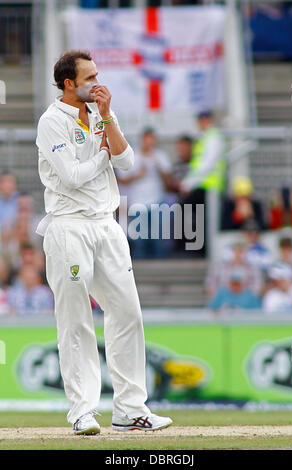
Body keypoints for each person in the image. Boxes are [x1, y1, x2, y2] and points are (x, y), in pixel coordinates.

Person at [35, 50, 172, 435]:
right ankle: (82, 411)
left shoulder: (98, 113)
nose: (97, 82)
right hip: (69, 227)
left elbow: (127, 162)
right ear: (68, 83)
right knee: (75, 319)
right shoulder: (51, 122)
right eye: (89, 76)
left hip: (107, 226)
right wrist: (102, 155)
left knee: (127, 312)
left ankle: (130, 409)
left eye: (97, 74)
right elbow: (73, 176)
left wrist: (108, 120)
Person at [117, 128, 172, 259]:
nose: (149, 143)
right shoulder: (133, 156)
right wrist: (137, 175)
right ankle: (140, 267)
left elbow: (168, 181)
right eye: (147, 139)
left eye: (152, 139)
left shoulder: (160, 156)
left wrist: (158, 166)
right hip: (137, 201)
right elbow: (122, 179)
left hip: (157, 200)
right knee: (139, 237)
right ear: (142, 140)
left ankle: (159, 266)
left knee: (157, 235)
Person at [179, 111, 226, 256]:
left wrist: (188, 183)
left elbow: (207, 165)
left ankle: (199, 250)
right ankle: (195, 248)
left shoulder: (212, 138)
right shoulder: (206, 137)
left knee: (204, 220)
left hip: (208, 187)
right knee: (198, 218)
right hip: (203, 186)